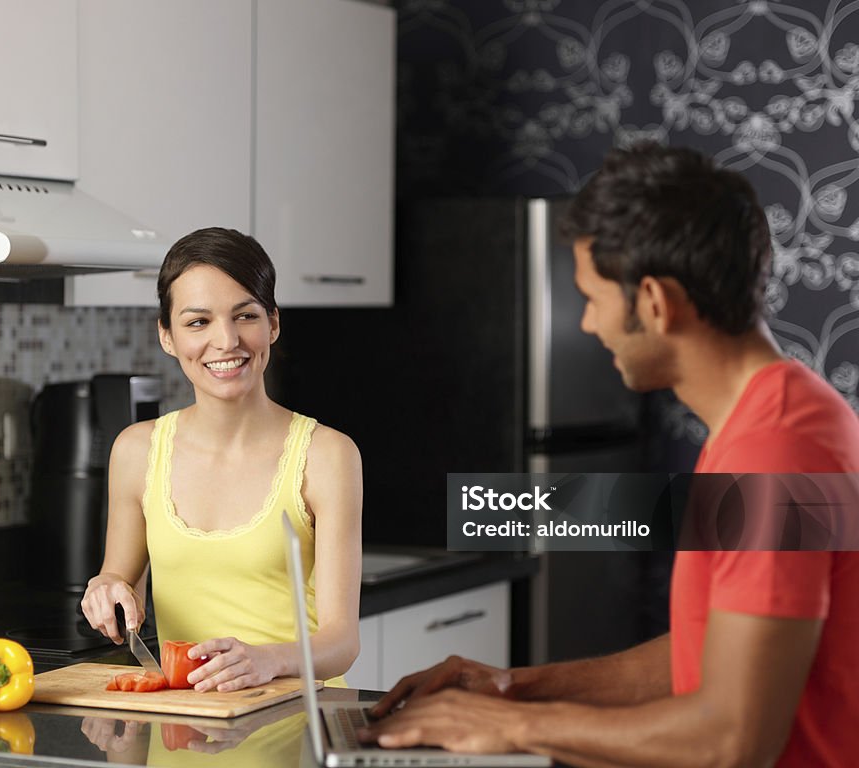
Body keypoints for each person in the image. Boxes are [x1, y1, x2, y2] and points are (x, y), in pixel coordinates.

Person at [359, 142, 859, 766]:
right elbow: (714, 650)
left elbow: (733, 738)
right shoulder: (778, 414)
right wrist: (516, 688)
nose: (589, 325)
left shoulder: (774, 451)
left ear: (654, 302)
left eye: (592, 299)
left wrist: (509, 728)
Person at [81, 227, 363, 692]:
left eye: (245, 315)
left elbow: (341, 642)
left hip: (297, 733)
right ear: (167, 336)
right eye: (198, 322)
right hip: (181, 736)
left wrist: (266, 661)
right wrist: (105, 588)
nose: (226, 340)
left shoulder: (327, 455)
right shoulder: (136, 450)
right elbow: (120, 579)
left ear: (272, 323)